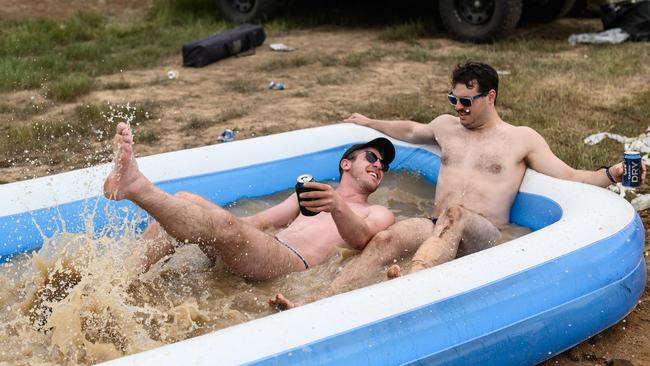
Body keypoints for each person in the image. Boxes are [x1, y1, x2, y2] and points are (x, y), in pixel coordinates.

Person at [324, 60, 641, 291]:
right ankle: (324, 297)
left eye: (466, 101)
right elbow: (409, 129)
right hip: (437, 227)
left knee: (456, 214)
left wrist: (612, 173)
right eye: (453, 99)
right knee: (386, 238)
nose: (458, 108)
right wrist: (369, 121)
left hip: (485, 236)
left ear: (490, 97)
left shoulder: (520, 138)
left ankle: (407, 286)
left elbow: (570, 175)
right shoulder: (446, 127)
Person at [103, 122, 396, 281]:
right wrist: (208, 225)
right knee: (186, 200)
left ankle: (136, 186)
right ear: (346, 164)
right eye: (372, 157)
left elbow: (361, 240)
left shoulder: (377, 212)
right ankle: (121, 280)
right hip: (261, 247)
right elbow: (257, 223)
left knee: (220, 224)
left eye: (383, 165)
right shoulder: (310, 194)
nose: (378, 166)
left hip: (291, 263)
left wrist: (337, 206)